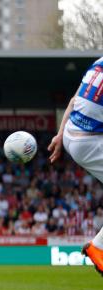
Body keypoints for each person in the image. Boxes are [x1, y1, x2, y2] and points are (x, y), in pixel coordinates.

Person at [48, 56, 103, 276]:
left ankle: (99, 247)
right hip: (88, 141)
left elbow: (74, 100)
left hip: (72, 132)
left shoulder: (99, 63)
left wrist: (60, 134)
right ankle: (98, 247)